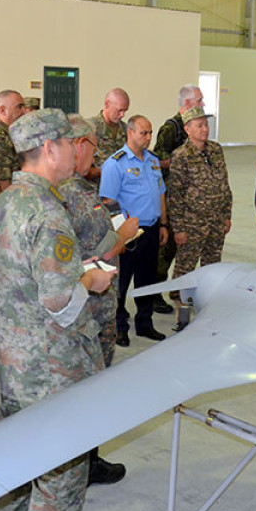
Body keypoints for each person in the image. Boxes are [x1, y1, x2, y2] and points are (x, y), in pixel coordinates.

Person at [0, 110, 114, 511]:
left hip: (15, 360)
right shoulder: (47, 212)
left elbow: (21, 284)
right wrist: (92, 282)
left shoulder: (2, 205)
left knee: (16, 460)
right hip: (54, 364)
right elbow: (61, 300)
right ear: (51, 149)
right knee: (60, 472)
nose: (73, 151)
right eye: (68, 143)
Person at [54, 114, 139, 486]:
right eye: (91, 144)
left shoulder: (77, 188)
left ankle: (85, 459)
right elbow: (83, 255)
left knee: (92, 385)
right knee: (87, 388)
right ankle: (80, 465)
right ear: (78, 145)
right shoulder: (68, 192)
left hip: (97, 304)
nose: (96, 154)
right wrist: (122, 236)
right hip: (88, 306)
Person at [99, 115, 168, 345]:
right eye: (143, 133)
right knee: (120, 283)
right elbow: (108, 203)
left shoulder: (152, 161)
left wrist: (164, 224)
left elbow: (161, 194)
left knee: (147, 280)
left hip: (151, 228)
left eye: (150, 133)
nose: (148, 138)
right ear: (130, 133)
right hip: (128, 235)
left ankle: (145, 323)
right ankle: (119, 327)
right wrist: (119, 237)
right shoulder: (115, 164)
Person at [150, 84, 203, 312]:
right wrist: (181, 161)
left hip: (189, 197)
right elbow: (159, 161)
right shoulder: (171, 128)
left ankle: (179, 290)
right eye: (199, 101)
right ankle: (153, 293)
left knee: (185, 249)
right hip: (172, 196)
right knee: (167, 248)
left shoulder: (195, 128)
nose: (202, 105)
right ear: (188, 104)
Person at [167, 106, 231, 280]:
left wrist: (226, 215)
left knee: (213, 265)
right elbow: (175, 195)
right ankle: (180, 299)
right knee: (185, 266)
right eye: (200, 125)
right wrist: (179, 228)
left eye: (206, 125)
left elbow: (224, 185)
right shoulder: (181, 156)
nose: (205, 129)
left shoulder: (216, 150)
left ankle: (206, 297)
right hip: (192, 223)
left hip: (216, 221)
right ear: (187, 129)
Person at [0, 89, 27, 192]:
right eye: (19, 107)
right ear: (3, 111)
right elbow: (3, 183)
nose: (24, 111)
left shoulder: (10, 133)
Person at [88, 88, 129, 181]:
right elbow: (80, 168)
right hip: (96, 188)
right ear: (107, 104)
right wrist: (106, 171)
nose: (122, 115)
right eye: (119, 110)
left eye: (125, 111)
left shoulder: (126, 130)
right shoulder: (89, 129)